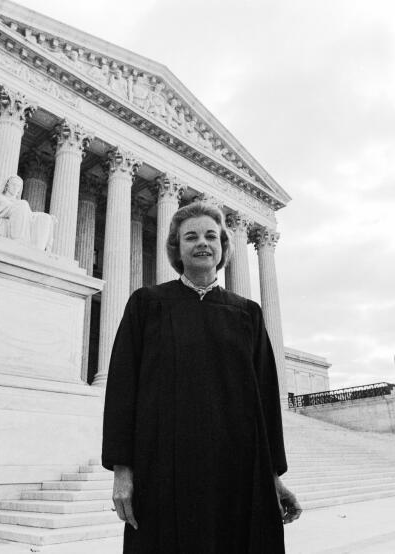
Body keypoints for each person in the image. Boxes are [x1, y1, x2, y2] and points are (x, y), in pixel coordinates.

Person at [102, 202, 301, 553]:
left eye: (211, 236)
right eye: (190, 237)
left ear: (223, 246)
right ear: (176, 248)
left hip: (236, 469)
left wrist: (273, 477)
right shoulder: (146, 305)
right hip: (163, 468)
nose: (202, 243)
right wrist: (122, 470)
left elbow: (266, 400)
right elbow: (122, 389)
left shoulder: (248, 314)